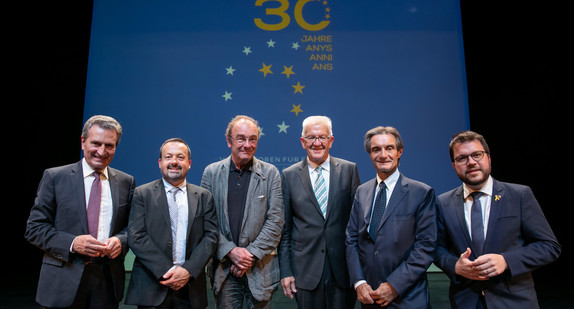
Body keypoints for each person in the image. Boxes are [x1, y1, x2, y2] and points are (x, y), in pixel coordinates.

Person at [434, 130, 561, 309]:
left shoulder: (519, 195)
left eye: (477, 155)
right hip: (466, 301)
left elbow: (549, 247)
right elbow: (437, 248)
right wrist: (455, 265)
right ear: (454, 166)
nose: (471, 162)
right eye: (462, 158)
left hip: (514, 302)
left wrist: (506, 260)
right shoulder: (443, 202)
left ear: (488, 158)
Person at [25, 115, 136, 308]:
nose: (102, 151)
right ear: (83, 142)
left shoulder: (126, 182)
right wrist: (73, 243)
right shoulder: (55, 177)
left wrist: (121, 241)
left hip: (106, 283)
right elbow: (34, 228)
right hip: (62, 280)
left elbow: (132, 227)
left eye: (109, 145)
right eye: (96, 143)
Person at [345, 126, 436, 308]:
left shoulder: (421, 193)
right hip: (370, 297)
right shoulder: (362, 192)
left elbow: (426, 246)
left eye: (389, 148)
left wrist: (394, 285)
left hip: (407, 297)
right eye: (376, 149)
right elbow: (351, 239)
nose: (383, 154)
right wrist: (359, 282)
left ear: (399, 151)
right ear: (370, 154)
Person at [201, 115, 284, 309]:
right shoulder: (211, 173)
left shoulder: (270, 173)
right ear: (229, 141)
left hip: (260, 271)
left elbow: (276, 221)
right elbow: (206, 222)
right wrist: (230, 251)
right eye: (241, 138)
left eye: (252, 139)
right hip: (224, 271)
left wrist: (249, 255)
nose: (247, 144)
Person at [125, 138, 218, 308]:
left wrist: (187, 270)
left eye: (180, 157)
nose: (174, 162)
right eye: (168, 157)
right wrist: (166, 271)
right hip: (152, 286)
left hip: (190, 288)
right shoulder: (142, 194)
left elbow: (210, 237)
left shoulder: (204, 196)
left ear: (189, 163)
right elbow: (136, 236)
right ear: (160, 163)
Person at [278, 115, 360, 308]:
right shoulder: (289, 176)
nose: (317, 143)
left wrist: (359, 271)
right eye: (311, 138)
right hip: (304, 272)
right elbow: (285, 230)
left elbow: (357, 224)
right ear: (302, 141)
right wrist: (286, 271)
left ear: (330, 140)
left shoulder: (349, 170)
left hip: (342, 271)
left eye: (322, 137)